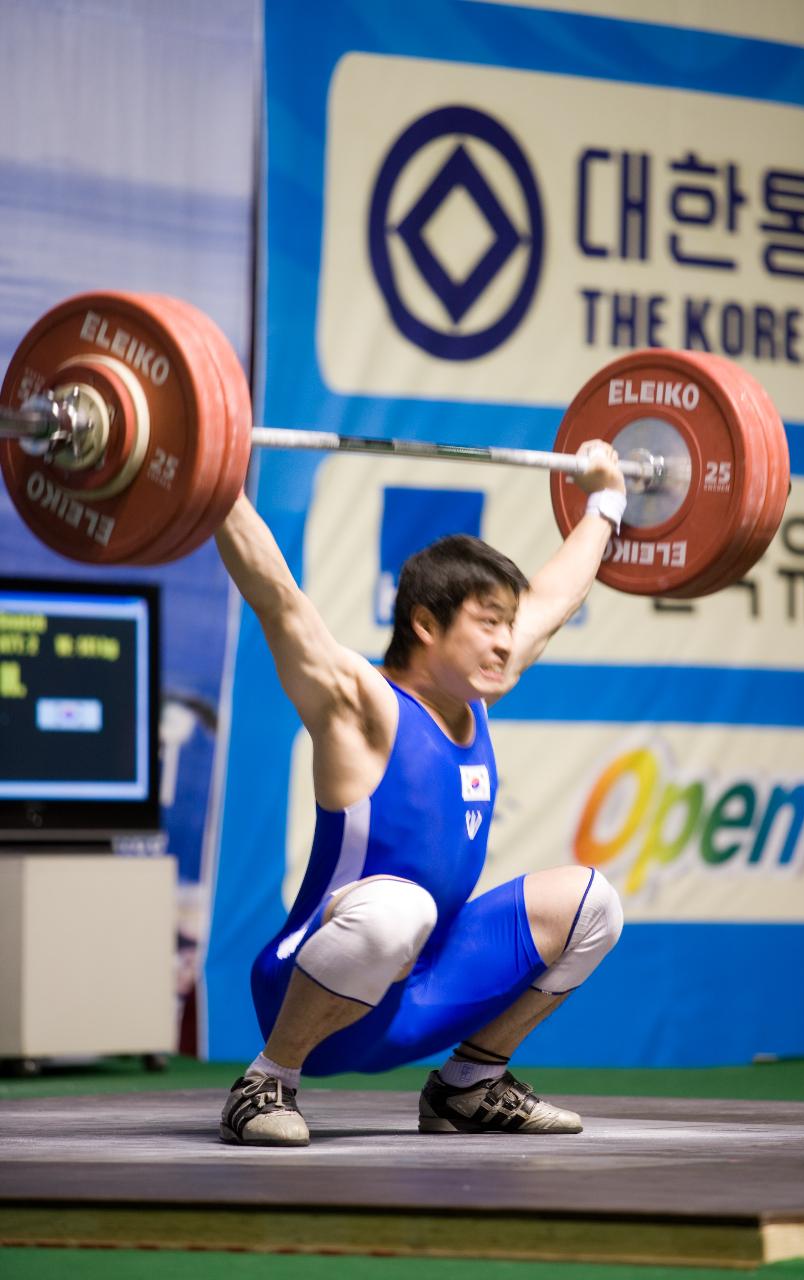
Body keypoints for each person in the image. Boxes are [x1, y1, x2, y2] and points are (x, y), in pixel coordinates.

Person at [215, 440, 627, 1146]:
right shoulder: (362, 707)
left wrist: (606, 502)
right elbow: (275, 596)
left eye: (507, 623)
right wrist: (209, 477)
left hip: (422, 984)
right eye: (487, 624)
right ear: (426, 624)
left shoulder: (478, 691)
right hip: (313, 990)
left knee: (592, 904)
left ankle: (468, 1085)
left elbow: (554, 600)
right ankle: (268, 1080)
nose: (505, 642)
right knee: (397, 907)